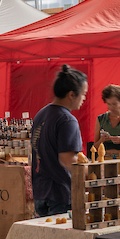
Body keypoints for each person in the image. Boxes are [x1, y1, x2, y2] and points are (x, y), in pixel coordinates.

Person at [31, 65, 87, 216]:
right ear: (71, 95)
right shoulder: (67, 120)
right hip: (59, 193)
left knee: (44, 238)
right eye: (83, 94)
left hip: (40, 191)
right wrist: (94, 172)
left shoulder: (41, 114)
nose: (84, 99)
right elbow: (67, 159)